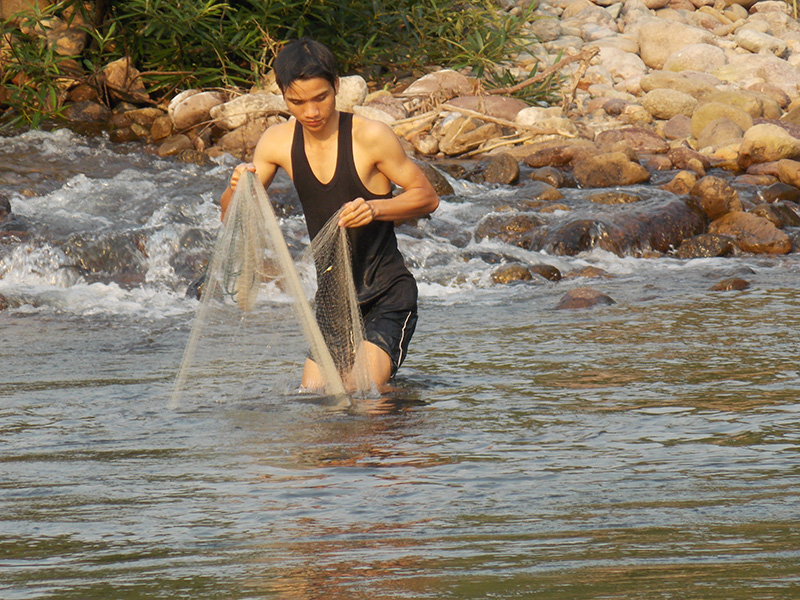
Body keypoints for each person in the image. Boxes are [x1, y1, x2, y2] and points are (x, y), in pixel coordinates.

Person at [221, 38, 439, 391]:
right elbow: (231, 219)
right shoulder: (276, 142)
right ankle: (399, 408)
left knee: (360, 392)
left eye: (320, 97)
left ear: (336, 86)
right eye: (297, 102)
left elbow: (427, 197)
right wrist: (235, 189)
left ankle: (398, 434)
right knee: (314, 401)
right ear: (282, 96)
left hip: (385, 292)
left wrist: (375, 207)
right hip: (333, 299)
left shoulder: (370, 136)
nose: (311, 112)